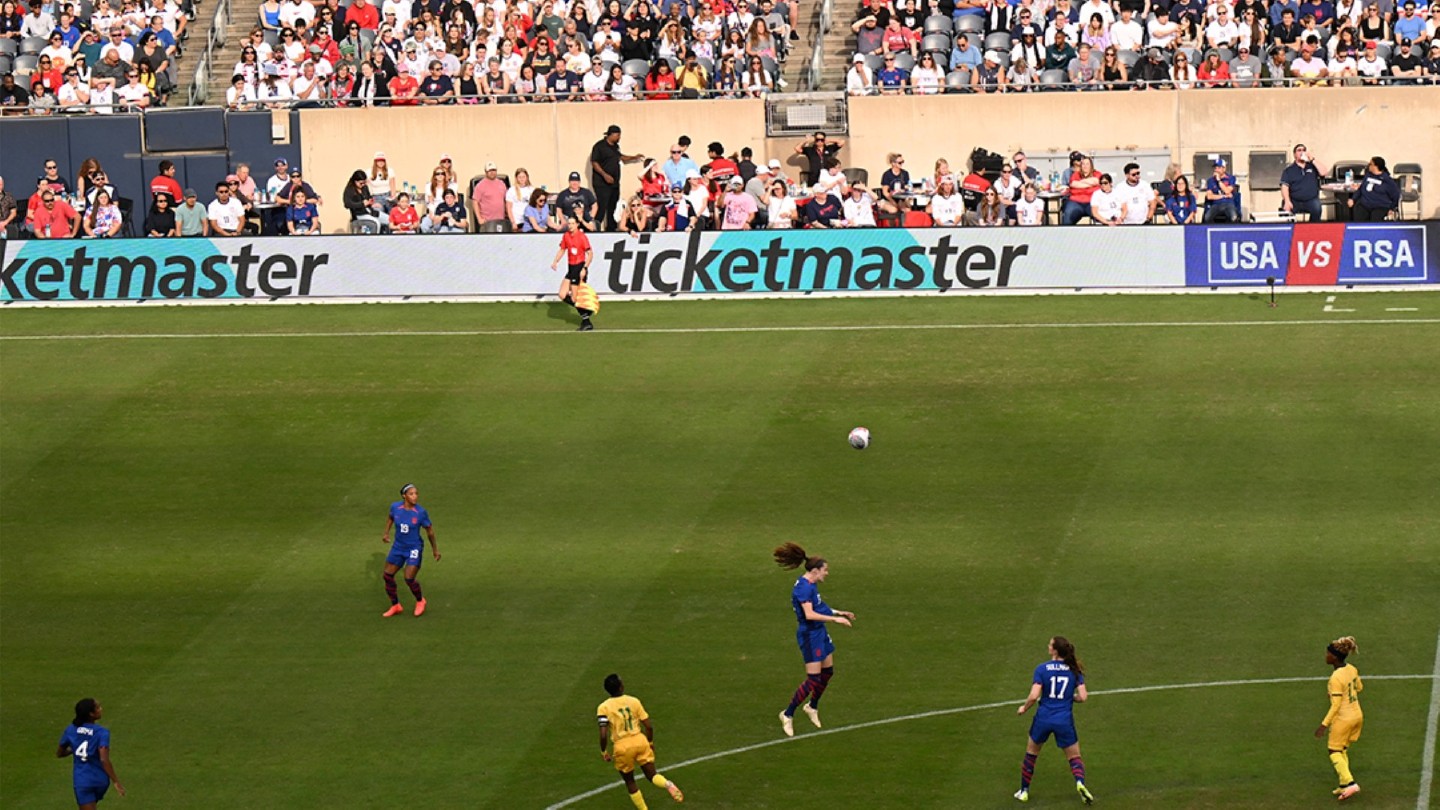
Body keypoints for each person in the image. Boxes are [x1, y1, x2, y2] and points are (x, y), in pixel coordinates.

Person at [773, 541, 854, 737]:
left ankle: (812, 706)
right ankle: (788, 713)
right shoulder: (803, 589)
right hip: (810, 635)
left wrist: (838, 611)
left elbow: (818, 606)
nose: (827, 573)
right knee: (813, 679)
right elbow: (809, 614)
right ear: (816, 571)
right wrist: (835, 619)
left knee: (828, 672)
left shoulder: (811, 585)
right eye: (825, 570)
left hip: (820, 632)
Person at [1014, 637, 1095, 806]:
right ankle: (1080, 782)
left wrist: (1024, 707)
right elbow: (1083, 697)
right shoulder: (1075, 670)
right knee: (1074, 757)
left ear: (1055, 651)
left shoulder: (1042, 669)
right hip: (1064, 721)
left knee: (1031, 754)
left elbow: (1034, 695)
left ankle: (1024, 791)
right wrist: (1069, 697)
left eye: (1050, 644)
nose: (1048, 646)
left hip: (1043, 718)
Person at [596, 674, 685, 808]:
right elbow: (648, 726)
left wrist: (604, 751)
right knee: (652, 775)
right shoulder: (634, 701)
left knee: (630, 781)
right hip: (640, 740)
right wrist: (650, 743)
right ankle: (667, 784)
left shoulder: (603, 707)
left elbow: (603, 734)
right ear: (621, 687)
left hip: (622, 746)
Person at [379, 483, 439, 617]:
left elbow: (430, 532)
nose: (415, 496)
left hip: (414, 547)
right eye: (411, 494)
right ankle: (395, 605)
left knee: (409, 578)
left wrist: (435, 549)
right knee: (387, 576)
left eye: (416, 493)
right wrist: (386, 533)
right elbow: (390, 518)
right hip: (398, 546)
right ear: (404, 496)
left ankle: (420, 601)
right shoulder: (395, 507)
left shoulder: (420, 512)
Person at [1316, 636, 1363, 801]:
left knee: (1334, 751)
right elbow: (1359, 687)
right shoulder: (1351, 668)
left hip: (1344, 718)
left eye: (1328, 654)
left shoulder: (1335, 678)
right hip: (1357, 715)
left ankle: (1350, 783)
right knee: (1342, 748)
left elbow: (1335, 706)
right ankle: (1344, 783)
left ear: (1334, 657)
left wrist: (1323, 724)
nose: (1326, 656)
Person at [57, 698, 126, 809]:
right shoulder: (102, 732)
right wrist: (116, 781)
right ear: (91, 714)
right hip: (100, 780)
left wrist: (73, 750)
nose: (101, 709)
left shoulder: (71, 729)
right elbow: (103, 759)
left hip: (83, 781)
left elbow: (60, 753)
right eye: (98, 707)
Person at [590, 124, 646, 232]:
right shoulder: (599, 146)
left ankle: (610, 228)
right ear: (611, 135)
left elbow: (620, 157)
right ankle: (595, 229)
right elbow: (594, 162)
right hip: (602, 183)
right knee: (602, 206)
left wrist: (634, 157)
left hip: (614, 183)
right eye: (617, 135)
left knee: (613, 206)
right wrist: (604, 175)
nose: (619, 138)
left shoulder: (615, 146)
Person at [551, 213, 592, 303]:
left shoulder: (582, 237)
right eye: (569, 223)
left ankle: (585, 313)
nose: (570, 226)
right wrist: (555, 261)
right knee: (562, 294)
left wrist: (585, 268)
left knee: (574, 297)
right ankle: (585, 311)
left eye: (573, 223)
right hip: (571, 268)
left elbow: (590, 253)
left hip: (579, 266)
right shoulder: (566, 236)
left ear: (577, 224)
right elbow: (562, 249)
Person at [1279, 144, 1327, 220]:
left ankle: (1312, 229)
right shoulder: (1289, 170)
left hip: (1311, 200)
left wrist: (1312, 159)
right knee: (1286, 210)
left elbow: (1324, 172)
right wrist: (1287, 201)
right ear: (1294, 154)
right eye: (1299, 150)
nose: (1302, 152)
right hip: (1294, 200)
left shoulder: (1312, 166)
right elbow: (1284, 186)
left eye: (1304, 150)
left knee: (1317, 209)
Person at [1349, 156, 1401, 221]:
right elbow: (1361, 189)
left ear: (1376, 167)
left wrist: (1392, 208)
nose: (1368, 166)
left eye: (1370, 164)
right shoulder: (1368, 175)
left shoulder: (1387, 180)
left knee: (1375, 218)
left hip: (1380, 206)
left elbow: (1395, 195)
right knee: (1359, 215)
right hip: (1365, 204)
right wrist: (1353, 199)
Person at [1203, 159, 1241, 223]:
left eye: (1219, 168)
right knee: (1207, 218)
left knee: (1233, 217)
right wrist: (1224, 196)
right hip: (1216, 204)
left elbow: (1227, 191)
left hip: (1228, 203)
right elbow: (1209, 196)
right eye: (1215, 168)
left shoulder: (1231, 178)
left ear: (1224, 169)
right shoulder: (1210, 180)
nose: (1216, 170)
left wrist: (1218, 181)